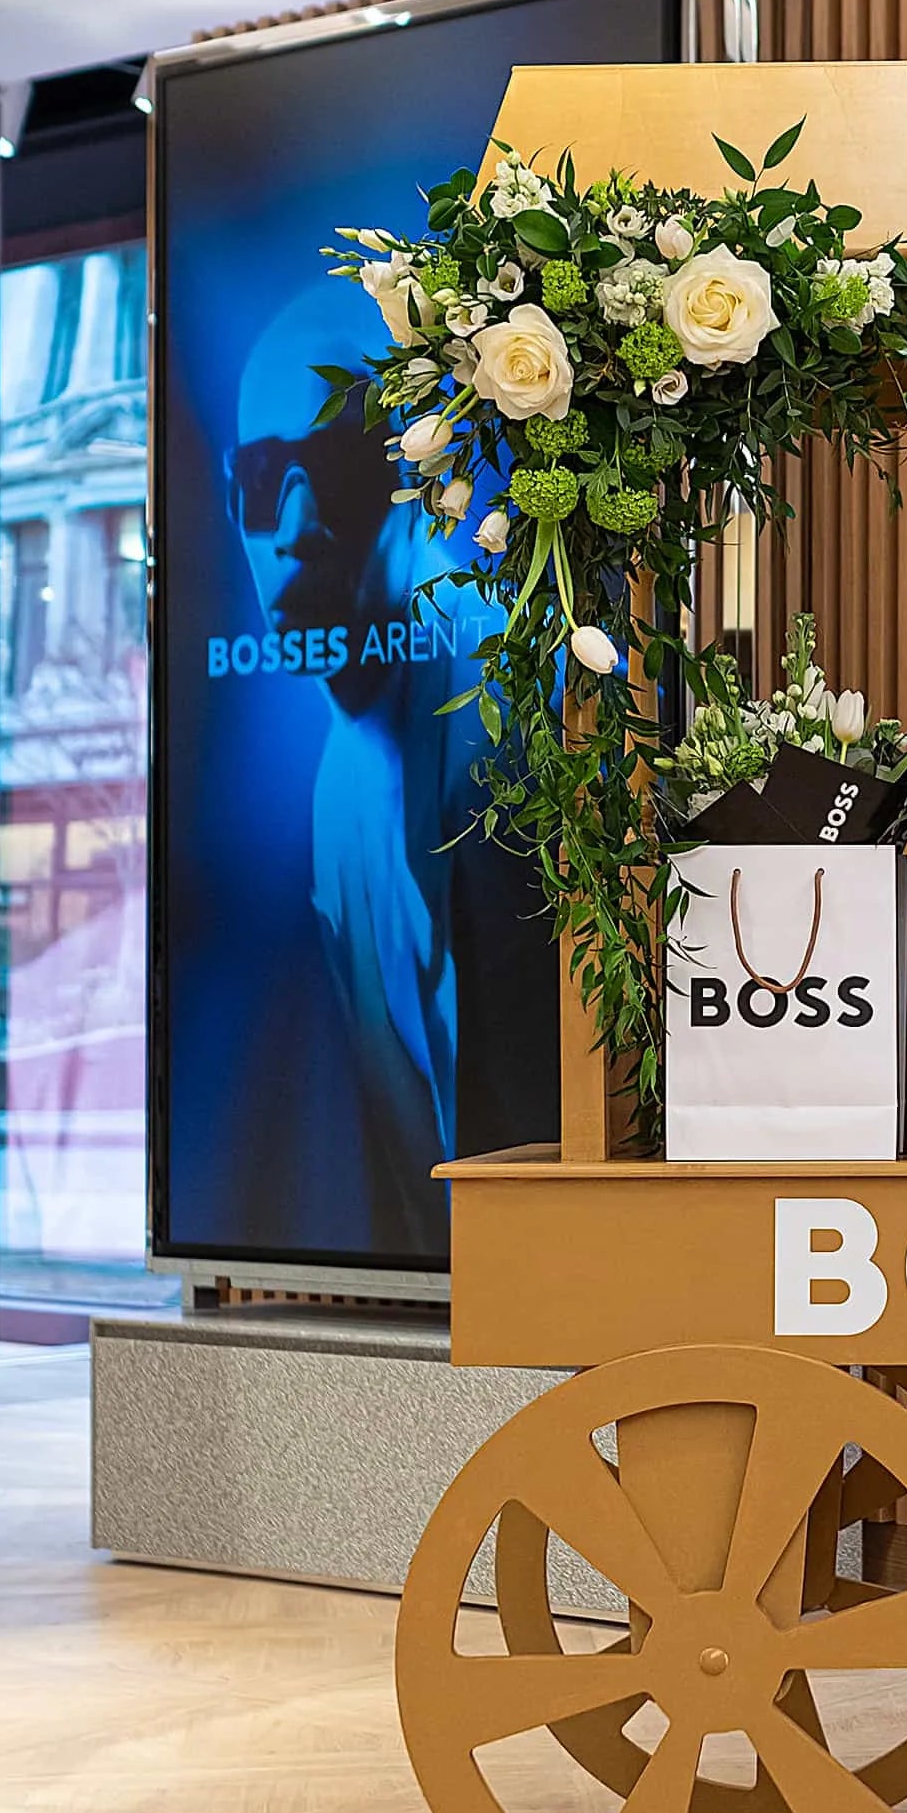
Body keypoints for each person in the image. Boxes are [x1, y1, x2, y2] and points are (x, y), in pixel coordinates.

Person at [231, 286, 550, 1251]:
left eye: (332, 470)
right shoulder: (338, 787)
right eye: (262, 478)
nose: (292, 530)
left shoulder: (505, 714)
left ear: (418, 481)